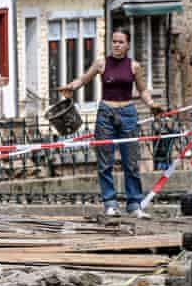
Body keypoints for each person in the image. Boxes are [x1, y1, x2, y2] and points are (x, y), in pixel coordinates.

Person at [60, 29, 163, 219]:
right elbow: (83, 79)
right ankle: (110, 203)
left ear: (128, 44)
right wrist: (71, 87)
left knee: (130, 162)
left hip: (128, 113)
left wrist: (152, 104)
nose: (116, 45)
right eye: (114, 41)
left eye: (121, 42)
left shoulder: (134, 66)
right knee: (105, 162)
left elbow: (143, 90)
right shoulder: (101, 63)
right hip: (106, 113)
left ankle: (134, 204)